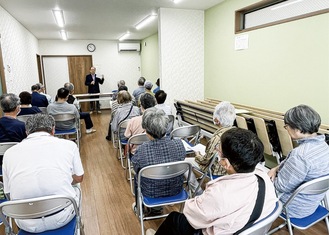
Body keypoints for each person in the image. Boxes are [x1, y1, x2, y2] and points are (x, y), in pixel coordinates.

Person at [146, 128, 277, 235]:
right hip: (246, 229)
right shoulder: (264, 178)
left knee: (175, 219)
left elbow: (191, 214)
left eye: (218, 151)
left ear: (225, 163)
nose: (217, 152)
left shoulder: (220, 192)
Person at [2, 113, 84, 233]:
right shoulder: (69, 145)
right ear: (53, 130)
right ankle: (79, 227)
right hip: (62, 217)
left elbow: (8, 192)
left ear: (26, 132)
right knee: (77, 188)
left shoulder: (9, 153)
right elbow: (79, 177)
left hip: (26, 222)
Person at [268, 104, 329, 218]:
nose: (286, 129)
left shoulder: (300, 155)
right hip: (312, 204)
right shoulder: (324, 146)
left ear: (297, 128)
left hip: (293, 208)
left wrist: (267, 177)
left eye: (287, 126)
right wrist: (275, 169)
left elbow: (281, 187)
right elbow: (290, 164)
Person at [131, 107, 186, 214]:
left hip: (151, 192)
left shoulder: (142, 149)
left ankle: (139, 208)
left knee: (137, 176)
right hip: (176, 189)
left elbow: (136, 167)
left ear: (146, 130)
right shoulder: (179, 144)